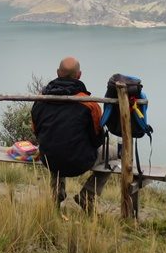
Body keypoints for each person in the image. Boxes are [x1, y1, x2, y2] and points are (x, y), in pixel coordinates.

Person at [31, 56, 111, 213]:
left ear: (57, 73)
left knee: (54, 146)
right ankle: (87, 194)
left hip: (49, 160)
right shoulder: (89, 103)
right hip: (79, 163)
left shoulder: (40, 99)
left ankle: (57, 196)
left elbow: (36, 131)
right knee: (114, 155)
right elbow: (97, 139)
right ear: (79, 75)